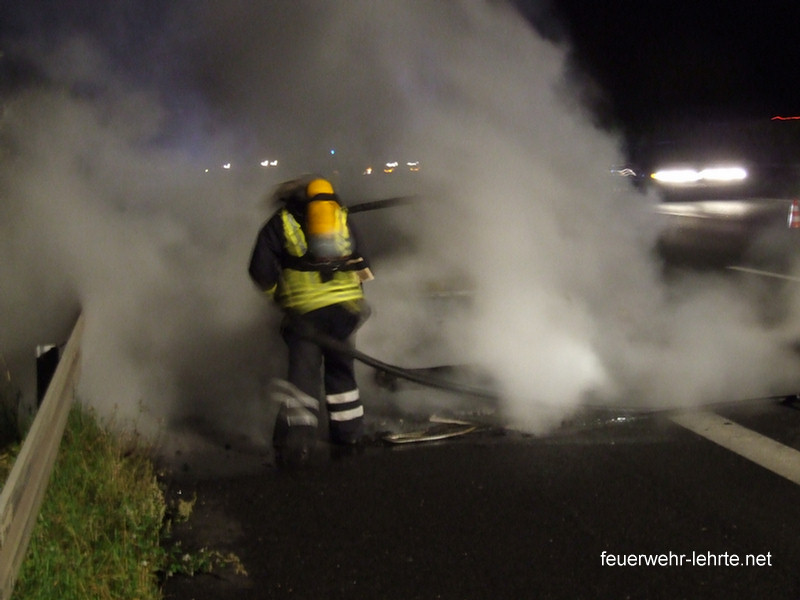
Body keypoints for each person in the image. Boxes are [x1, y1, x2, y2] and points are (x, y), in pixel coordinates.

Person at [248, 176, 374, 464]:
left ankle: (298, 444)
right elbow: (364, 261)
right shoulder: (340, 216)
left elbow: (260, 270)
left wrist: (278, 298)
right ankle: (349, 434)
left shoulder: (280, 222)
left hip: (305, 315)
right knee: (342, 373)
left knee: (303, 378)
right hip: (345, 312)